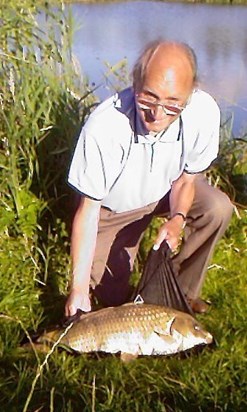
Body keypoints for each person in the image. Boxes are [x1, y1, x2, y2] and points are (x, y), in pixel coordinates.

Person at [65, 40, 233, 317]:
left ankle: (181, 293)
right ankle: (104, 291)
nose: (157, 114)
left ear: (190, 94)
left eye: (173, 105)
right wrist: (78, 291)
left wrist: (177, 218)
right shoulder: (104, 126)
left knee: (217, 208)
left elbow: (186, 181)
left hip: (166, 191)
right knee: (110, 297)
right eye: (148, 98)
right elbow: (89, 210)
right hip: (114, 209)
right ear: (135, 84)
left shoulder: (204, 112)